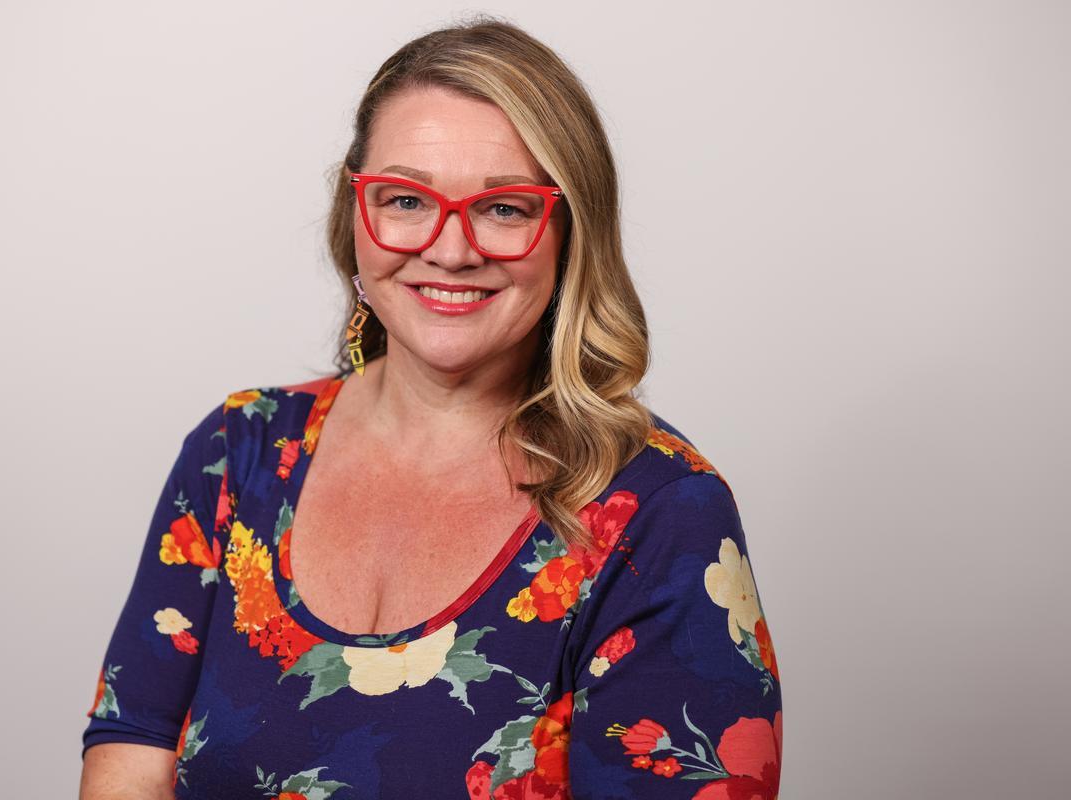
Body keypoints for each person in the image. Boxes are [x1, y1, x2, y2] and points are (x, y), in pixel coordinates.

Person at [79, 17, 782, 800]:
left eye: (505, 208)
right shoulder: (236, 452)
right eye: (407, 198)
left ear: (570, 232)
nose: (451, 250)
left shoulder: (661, 515)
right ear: (356, 214)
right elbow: (133, 753)